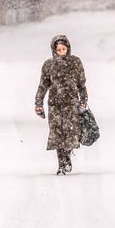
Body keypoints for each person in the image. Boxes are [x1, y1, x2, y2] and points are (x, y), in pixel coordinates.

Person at [34, 34, 88, 175]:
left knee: (71, 133)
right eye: (58, 50)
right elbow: (43, 85)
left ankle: (67, 157)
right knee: (57, 134)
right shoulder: (49, 65)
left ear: (68, 48)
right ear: (54, 50)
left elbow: (81, 84)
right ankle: (61, 164)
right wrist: (38, 103)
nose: (62, 52)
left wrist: (83, 101)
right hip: (55, 105)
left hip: (71, 104)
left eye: (64, 49)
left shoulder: (75, 62)